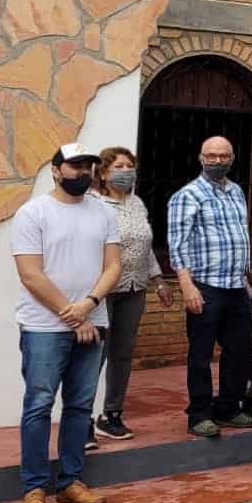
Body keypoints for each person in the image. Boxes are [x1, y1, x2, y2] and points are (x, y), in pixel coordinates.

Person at [10, 143, 119, 503]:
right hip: (44, 326)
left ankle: (71, 482)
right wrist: (74, 316)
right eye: (75, 166)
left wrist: (89, 304)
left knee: (80, 406)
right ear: (56, 171)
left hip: (93, 322)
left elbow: (113, 266)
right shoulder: (33, 213)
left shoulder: (104, 212)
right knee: (39, 405)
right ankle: (34, 488)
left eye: (89, 166)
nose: (84, 172)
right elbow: (30, 274)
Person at [167, 135, 252, 439]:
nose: (218, 161)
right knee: (201, 355)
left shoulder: (237, 191)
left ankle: (228, 408)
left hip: (236, 287)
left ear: (232, 159)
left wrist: (248, 277)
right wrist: (187, 286)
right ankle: (200, 414)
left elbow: (240, 236)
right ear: (201, 158)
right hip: (205, 287)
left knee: (240, 350)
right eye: (211, 156)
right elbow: (177, 245)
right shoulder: (187, 195)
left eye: (223, 156)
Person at [90, 146, 163, 441]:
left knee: (122, 353)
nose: (126, 171)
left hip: (134, 288)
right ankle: (83, 419)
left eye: (129, 166)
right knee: (95, 354)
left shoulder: (137, 203)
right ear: (103, 173)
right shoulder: (94, 204)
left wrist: (158, 280)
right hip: (104, 289)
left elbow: (146, 247)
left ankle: (112, 414)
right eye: (118, 166)